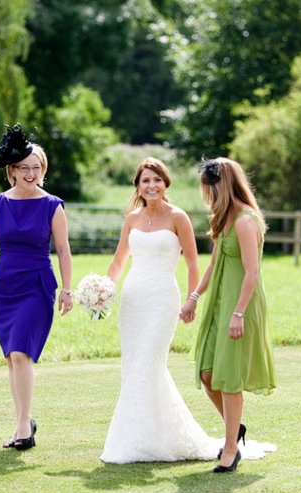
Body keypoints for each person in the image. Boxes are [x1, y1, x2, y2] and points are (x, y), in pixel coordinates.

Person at [100, 157, 220, 464]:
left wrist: (192, 298)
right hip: (133, 301)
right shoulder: (132, 219)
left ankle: (151, 440)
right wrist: (101, 292)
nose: (151, 185)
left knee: (149, 363)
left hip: (163, 299)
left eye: (156, 180)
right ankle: (143, 439)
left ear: (165, 184)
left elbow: (193, 262)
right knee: (133, 367)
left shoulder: (178, 217)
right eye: (145, 181)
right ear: (138, 187)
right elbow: (117, 263)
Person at [0, 123, 73, 451]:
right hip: (5, 286)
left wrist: (66, 289)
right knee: (12, 358)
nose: (31, 173)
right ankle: (24, 420)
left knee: (21, 351)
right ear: (12, 171)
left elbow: (64, 250)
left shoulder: (52, 205)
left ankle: (22, 427)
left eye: (36, 168)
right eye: (24, 168)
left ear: (42, 171)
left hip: (37, 285)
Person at [181, 157, 276, 473]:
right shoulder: (223, 220)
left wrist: (238, 313)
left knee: (229, 376)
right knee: (208, 374)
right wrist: (194, 297)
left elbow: (252, 272)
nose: (207, 194)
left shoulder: (246, 221)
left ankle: (231, 446)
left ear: (224, 186)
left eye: (210, 188)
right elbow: (213, 264)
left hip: (240, 306)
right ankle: (235, 429)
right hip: (220, 304)